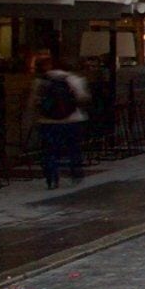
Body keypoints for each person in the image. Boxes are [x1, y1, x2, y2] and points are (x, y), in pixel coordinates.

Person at [31, 51, 88, 189]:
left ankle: (51, 178)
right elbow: (82, 98)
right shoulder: (73, 80)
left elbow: (34, 102)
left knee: (50, 151)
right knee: (73, 148)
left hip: (48, 122)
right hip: (72, 120)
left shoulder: (41, 81)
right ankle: (75, 173)